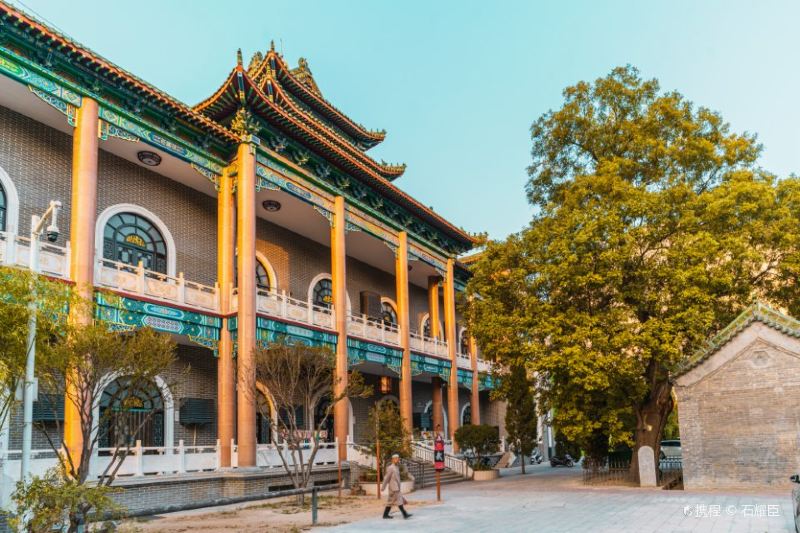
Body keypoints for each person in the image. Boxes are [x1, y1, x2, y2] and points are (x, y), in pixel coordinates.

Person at [381, 453, 411, 519]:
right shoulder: (390, 468)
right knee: (399, 500)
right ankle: (405, 514)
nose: (397, 460)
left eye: (398, 458)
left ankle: (385, 515)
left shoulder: (396, 467)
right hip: (394, 487)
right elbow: (387, 478)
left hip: (396, 487)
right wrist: (383, 487)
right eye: (396, 458)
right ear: (393, 459)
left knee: (390, 501)